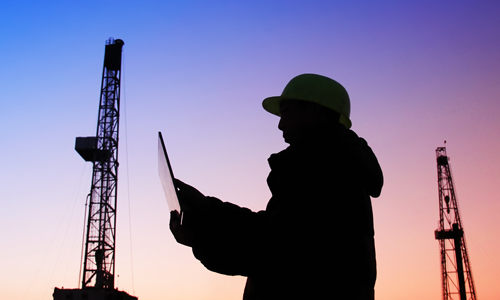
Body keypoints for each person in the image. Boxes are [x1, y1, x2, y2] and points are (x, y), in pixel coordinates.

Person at [170, 73, 383, 300]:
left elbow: (277, 254)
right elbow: (276, 231)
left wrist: (200, 242)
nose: (280, 124)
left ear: (313, 111)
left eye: (286, 112)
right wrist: (208, 207)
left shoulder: (320, 166)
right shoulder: (332, 161)